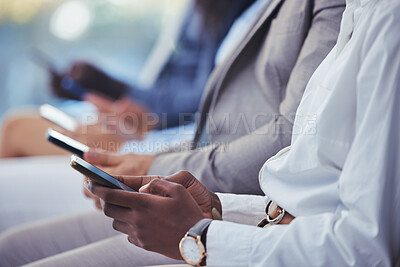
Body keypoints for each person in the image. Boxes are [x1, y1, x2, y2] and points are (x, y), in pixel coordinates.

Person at [1, 0, 399, 265]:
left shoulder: (382, 21)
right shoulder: (360, 14)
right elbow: (308, 180)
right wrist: (220, 207)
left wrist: (200, 235)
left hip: (245, 227)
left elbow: (362, 246)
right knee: (14, 242)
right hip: (251, 211)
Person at [0, 0, 254, 158]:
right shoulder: (199, 9)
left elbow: (208, 96)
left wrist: (117, 90)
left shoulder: (230, 10)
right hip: (150, 123)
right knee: (16, 127)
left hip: (164, 133)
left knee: (15, 129)